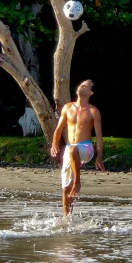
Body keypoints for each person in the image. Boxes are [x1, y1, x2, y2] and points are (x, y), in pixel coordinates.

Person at [50, 79, 105, 215]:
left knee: (74, 149)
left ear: (91, 92)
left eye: (86, 85)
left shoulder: (93, 111)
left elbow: (99, 137)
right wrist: (54, 143)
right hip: (70, 148)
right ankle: (67, 219)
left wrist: (99, 157)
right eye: (82, 84)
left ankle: (78, 182)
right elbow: (58, 128)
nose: (81, 85)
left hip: (86, 148)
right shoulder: (67, 107)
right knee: (65, 188)